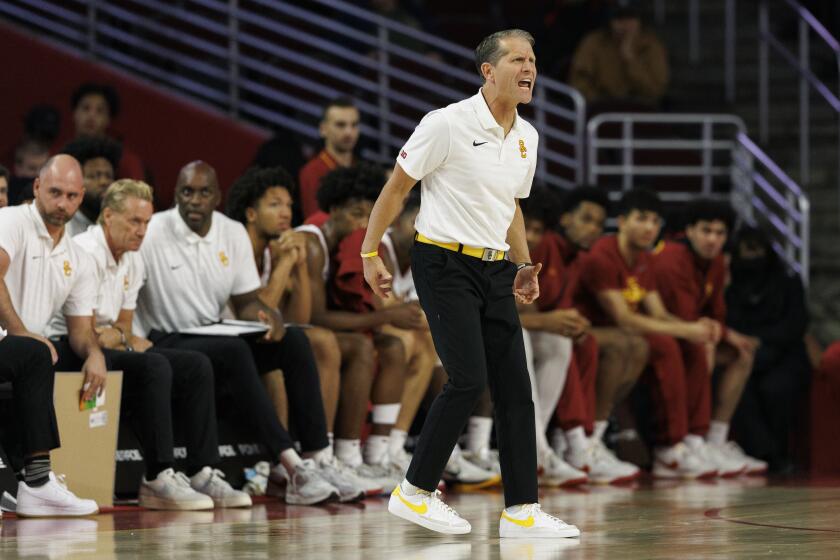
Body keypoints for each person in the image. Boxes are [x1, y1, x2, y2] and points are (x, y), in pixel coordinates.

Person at [362, 29, 580, 538]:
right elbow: (397, 188)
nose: (529, 68)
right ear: (488, 70)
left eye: (533, 59)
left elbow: (512, 209)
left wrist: (524, 265)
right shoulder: (447, 123)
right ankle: (414, 491)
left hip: (496, 268)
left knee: (515, 387)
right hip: (442, 264)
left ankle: (522, 510)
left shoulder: (528, 136)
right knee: (467, 377)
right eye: (517, 60)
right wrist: (370, 252)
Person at [135, 161, 362, 505]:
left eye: (203, 192)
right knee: (234, 351)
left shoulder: (231, 232)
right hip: (166, 336)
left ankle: (318, 456)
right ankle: (290, 466)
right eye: (186, 192)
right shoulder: (153, 231)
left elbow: (244, 302)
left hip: (214, 332)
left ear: (217, 197)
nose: (194, 200)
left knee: (294, 339)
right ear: (176, 195)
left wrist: (265, 318)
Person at [67, 178, 249, 509]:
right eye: (134, 221)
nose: (142, 231)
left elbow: (121, 328)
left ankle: (201, 471)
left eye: (147, 222)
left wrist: (119, 335)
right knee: (155, 363)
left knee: (195, 364)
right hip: (73, 347)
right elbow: (88, 333)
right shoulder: (86, 252)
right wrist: (118, 336)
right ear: (108, 216)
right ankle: (157, 475)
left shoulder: (133, 258)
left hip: (109, 345)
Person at [224, 165, 376, 496]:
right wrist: (283, 269)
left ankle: (321, 456)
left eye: (289, 205)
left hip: (258, 338)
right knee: (311, 346)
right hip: (227, 339)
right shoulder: (237, 245)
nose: (286, 213)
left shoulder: (275, 247)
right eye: (274, 204)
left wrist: (298, 264)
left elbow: (300, 318)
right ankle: (288, 465)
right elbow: (256, 316)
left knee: (314, 341)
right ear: (251, 213)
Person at [574, 188, 719, 479]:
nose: (650, 227)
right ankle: (665, 446)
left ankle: (690, 440)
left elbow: (659, 313)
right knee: (659, 343)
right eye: (641, 219)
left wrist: (695, 330)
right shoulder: (603, 254)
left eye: (655, 221)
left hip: (622, 336)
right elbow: (624, 318)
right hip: (588, 331)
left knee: (680, 343)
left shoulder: (644, 259)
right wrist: (686, 329)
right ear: (622, 221)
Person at [295, 163, 423, 492]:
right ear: (334, 209)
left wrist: (385, 318)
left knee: (392, 345)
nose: (363, 224)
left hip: (323, 326)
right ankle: (326, 454)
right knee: (357, 345)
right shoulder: (311, 242)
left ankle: (371, 454)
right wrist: (384, 317)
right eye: (355, 214)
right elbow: (315, 316)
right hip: (292, 328)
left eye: (369, 216)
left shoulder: (356, 243)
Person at [0, 155, 106, 517]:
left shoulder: (77, 256)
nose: (63, 204)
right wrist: (23, 333)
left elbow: (79, 330)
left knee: (53, 353)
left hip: (14, 351)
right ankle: (38, 483)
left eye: (72, 196)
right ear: (36, 188)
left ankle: (36, 483)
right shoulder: (10, 220)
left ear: (82, 196)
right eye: (55, 192)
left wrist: (94, 353)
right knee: (34, 354)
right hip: (12, 342)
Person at [653, 199, 766, 476]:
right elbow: (683, 314)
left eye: (720, 233)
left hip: (690, 331)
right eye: (706, 231)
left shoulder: (716, 262)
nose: (713, 239)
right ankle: (689, 438)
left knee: (742, 352)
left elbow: (716, 312)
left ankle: (714, 440)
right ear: (689, 230)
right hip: (661, 329)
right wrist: (719, 332)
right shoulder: (671, 257)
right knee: (705, 346)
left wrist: (725, 332)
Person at [727, 226, 810, 473]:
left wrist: (760, 341)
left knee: (777, 388)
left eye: (758, 250)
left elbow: (796, 324)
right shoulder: (730, 283)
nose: (753, 257)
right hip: (744, 353)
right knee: (738, 385)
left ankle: (780, 456)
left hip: (785, 354)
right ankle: (761, 453)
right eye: (747, 251)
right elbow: (727, 319)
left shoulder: (788, 281)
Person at [568, 1, 669, 107]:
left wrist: (630, 59)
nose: (625, 25)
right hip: (601, 110)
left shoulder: (652, 45)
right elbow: (579, 81)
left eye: (631, 18)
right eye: (619, 19)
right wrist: (600, 102)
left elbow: (656, 90)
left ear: (640, 21)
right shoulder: (593, 42)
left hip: (641, 111)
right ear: (609, 21)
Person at [298, 98, 360, 220]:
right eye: (340, 125)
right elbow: (317, 223)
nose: (349, 132)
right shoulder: (312, 172)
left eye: (354, 125)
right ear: (323, 129)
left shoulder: (360, 168)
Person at [70, 83, 145, 180]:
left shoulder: (124, 161)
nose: (91, 116)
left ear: (108, 119)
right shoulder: (60, 156)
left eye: (100, 111)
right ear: (74, 113)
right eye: (86, 108)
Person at [61, 135, 122, 237]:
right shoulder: (62, 226)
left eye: (108, 176)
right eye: (94, 176)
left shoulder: (117, 226)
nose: (104, 182)